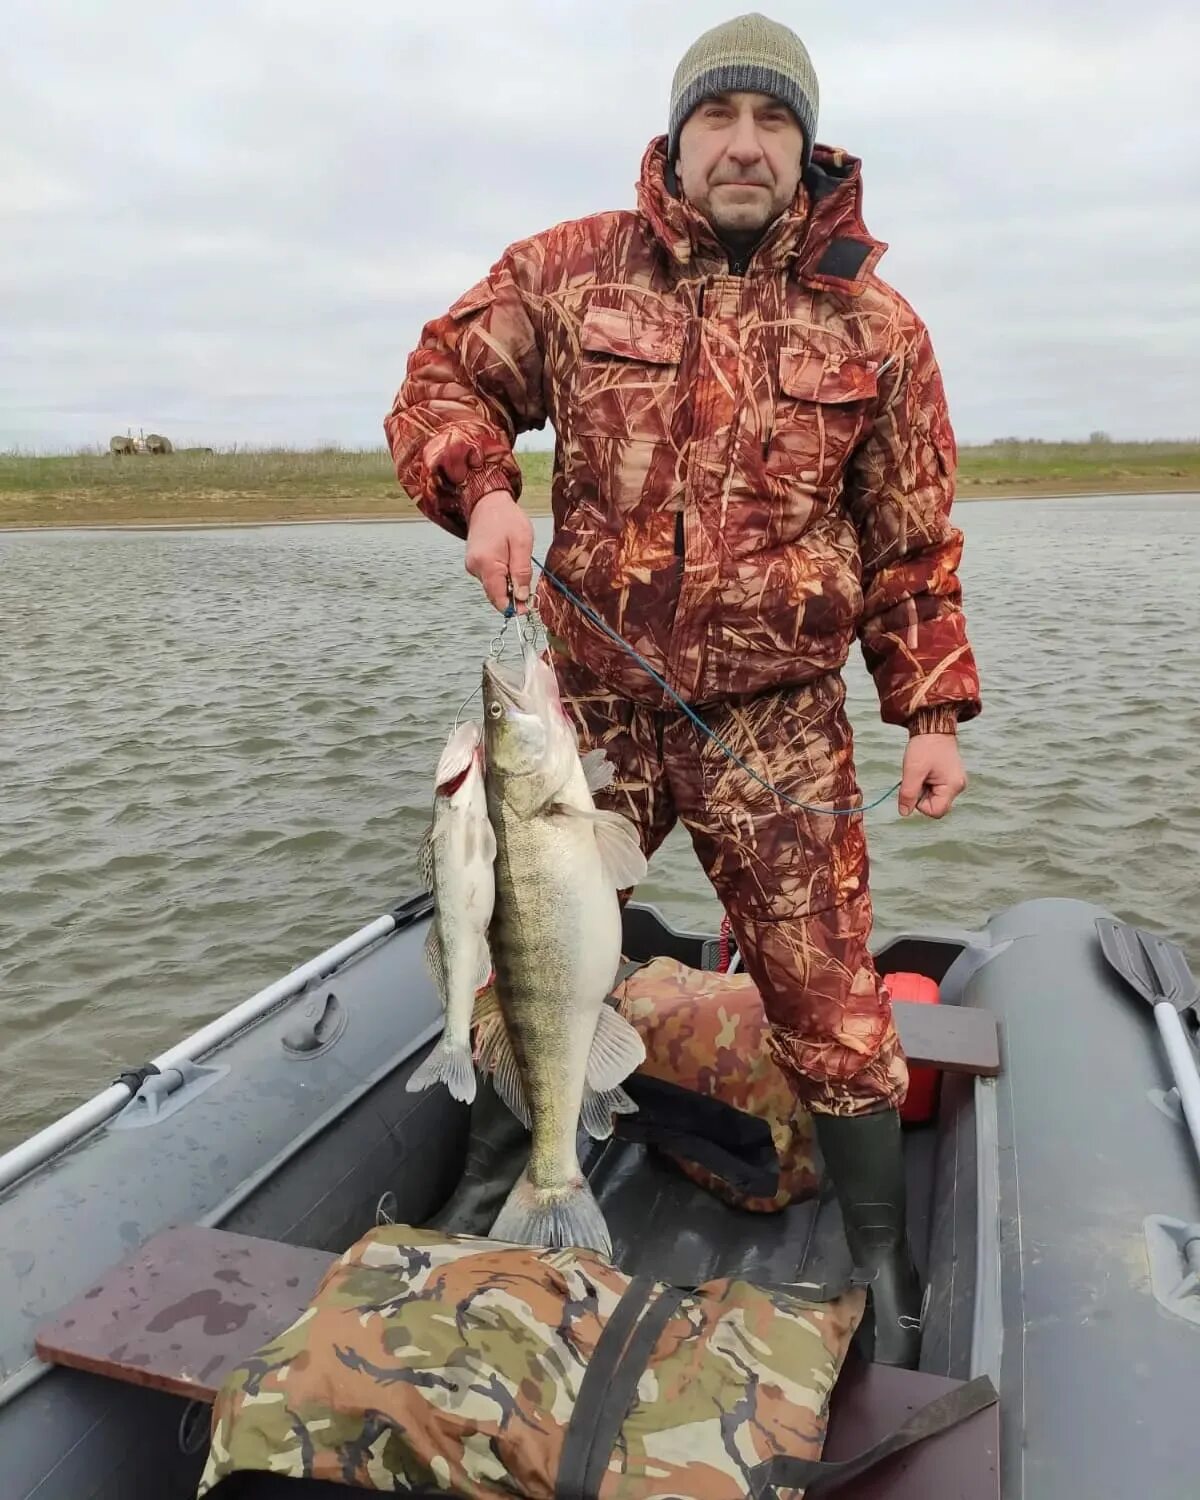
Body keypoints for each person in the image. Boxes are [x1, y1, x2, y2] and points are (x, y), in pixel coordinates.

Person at [384, 11, 981, 1367]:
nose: (745, 145)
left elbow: (912, 538)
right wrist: (480, 492)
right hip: (585, 706)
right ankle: (498, 1197)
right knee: (520, 960)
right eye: (721, 117)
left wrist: (930, 710)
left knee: (833, 1006)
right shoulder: (573, 271)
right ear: (678, 134)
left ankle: (882, 1267)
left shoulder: (875, 323)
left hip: (777, 720)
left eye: (773, 122)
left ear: (807, 147)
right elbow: (438, 384)